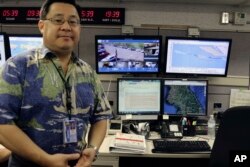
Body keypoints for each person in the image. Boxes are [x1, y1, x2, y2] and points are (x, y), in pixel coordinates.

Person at [0, 0, 112, 167]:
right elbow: (2, 123)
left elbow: (101, 117)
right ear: (42, 26)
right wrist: (46, 160)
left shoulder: (87, 72)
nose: (67, 27)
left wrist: (93, 148)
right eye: (58, 20)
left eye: (73, 21)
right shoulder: (17, 66)